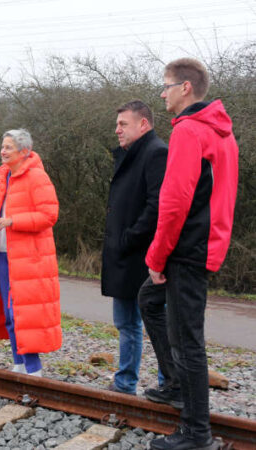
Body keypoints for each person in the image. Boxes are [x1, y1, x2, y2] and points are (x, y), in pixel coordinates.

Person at [141, 58, 238, 450]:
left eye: (165, 85)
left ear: (185, 88)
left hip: (187, 249)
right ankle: (176, 383)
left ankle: (197, 434)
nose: (161, 93)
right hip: (204, 242)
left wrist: (156, 257)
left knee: (188, 341)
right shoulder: (220, 131)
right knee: (148, 301)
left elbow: (175, 201)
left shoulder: (189, 132)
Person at [0, 129, 61, 376]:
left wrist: (13, 221)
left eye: (8, 147)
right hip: (4, 256)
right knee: (8, 312)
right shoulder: (4, 178)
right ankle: (19, 363)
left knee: (22, 313)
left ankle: (34, 369)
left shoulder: (37, 177)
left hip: (30, 259)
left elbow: (49, 216)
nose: (3, 151)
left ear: (23, 152)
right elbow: (2, 217)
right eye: (2, 147)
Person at [101, 101, 167, 395]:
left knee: (157, 324)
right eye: (117, 125)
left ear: (143, 124)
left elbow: (157, 206)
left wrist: (128, 238)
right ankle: (125, 381)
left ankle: (169, 383)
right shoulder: (131, 154)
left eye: (123, 124)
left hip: (143, 256)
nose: (117, 130)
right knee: (126, 323)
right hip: (125, 255)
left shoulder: (156, 153)